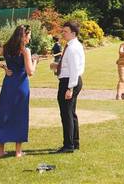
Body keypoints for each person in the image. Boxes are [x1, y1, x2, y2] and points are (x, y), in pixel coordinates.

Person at [0, 24, 40, 158]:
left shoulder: (6, 48)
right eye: (29, 35)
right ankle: (18, 151)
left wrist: (3, 66)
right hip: (21, 85)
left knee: (4, 113)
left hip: (8, 84)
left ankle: (0, 150)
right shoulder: (25, 51)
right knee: (19, 115)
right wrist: (35, 61)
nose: (30, 38)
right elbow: (30, 72)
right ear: (23, 36)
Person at [54, 20, 85, 153]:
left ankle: (68, 145)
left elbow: (74, 69)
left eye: (65, 31)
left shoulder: (72, 48)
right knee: (71, 113)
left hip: (69, 82)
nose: (63, 33)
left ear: (73, 33)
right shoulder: (73, 45)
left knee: (66, 114)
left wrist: (70, 88)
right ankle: (74, 142)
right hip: (71, 80)